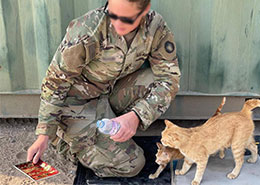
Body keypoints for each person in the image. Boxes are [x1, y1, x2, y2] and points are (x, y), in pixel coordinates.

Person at [27, 0, 181, 178]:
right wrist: (44, 133)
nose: (117, 24)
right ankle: (66, 142)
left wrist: (137, 116)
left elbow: (169, 79)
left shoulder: (156, 27)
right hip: (76, 105)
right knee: (132, 165)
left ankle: (106, 130)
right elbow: (55, 82)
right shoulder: (88, 29)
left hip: (109, 94)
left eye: (126, 19)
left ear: (145, 10)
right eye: (112, 14)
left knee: (154, 79)